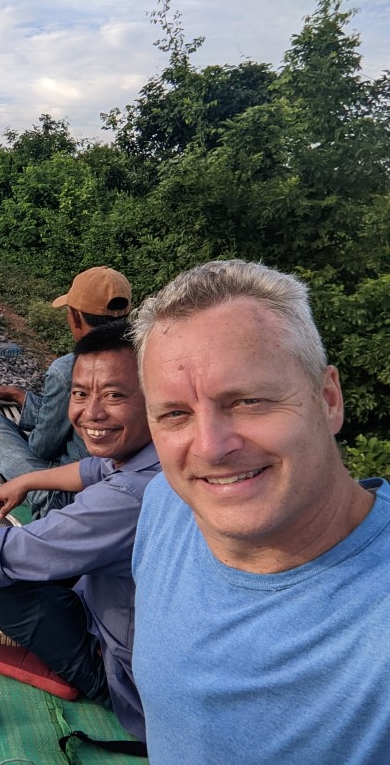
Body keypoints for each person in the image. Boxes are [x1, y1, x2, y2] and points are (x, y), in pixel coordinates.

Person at [130, 259, 389, 763]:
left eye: (247, 401)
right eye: (175, 414)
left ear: (328, 399)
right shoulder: (167, 504)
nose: (210, 447)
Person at [0, 321, 159, 742]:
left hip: (130, 682)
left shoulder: (130, 495)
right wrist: (28, 481)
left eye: (113, 395)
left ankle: (93, 677)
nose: (91, 412)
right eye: (81, 393)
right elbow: (95, 468)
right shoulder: (156, 450)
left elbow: (15, 551)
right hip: (126, 612)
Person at [0, 266, 132, 519]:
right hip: (115, 479)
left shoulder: (69, 368)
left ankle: (44, 497)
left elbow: (42, 448)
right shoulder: (143, 359)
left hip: (68, 491)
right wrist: (17, 395)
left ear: (75, 317)